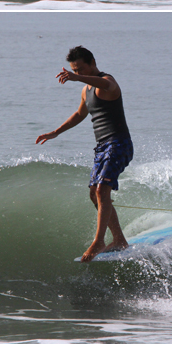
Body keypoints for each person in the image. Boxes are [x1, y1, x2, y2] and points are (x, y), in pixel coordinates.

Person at [36, 45, 133, 262]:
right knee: (94, 194)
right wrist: (55, 133)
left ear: (92, 62)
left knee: (102, 190)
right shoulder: (86, 90)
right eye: (74, 71)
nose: (78, 74)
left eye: (80, 69)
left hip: (119, 144)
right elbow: (79, 114)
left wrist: (78, 78)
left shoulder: (107, 82)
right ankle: (119, 240)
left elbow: (106, 84)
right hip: (102, 147)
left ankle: (99, 240)